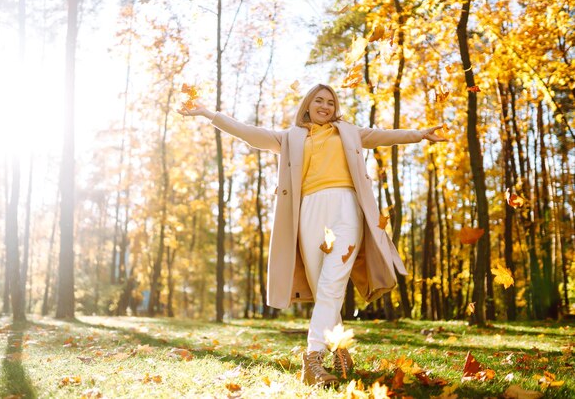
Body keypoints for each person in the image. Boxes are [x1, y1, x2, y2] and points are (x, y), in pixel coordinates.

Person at [178, 84, 446, 387]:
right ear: (308, 105)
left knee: (333, 283)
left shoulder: (347, 131)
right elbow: (248, 133)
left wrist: (419, 133)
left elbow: (382, 135)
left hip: (346, 209)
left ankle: (312, 357)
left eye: (330, 102)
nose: (325, 106)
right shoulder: (290, 138)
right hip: (309, 212)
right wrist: (207, 114)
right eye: (319, 100)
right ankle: (340, 352)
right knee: (324, 289)